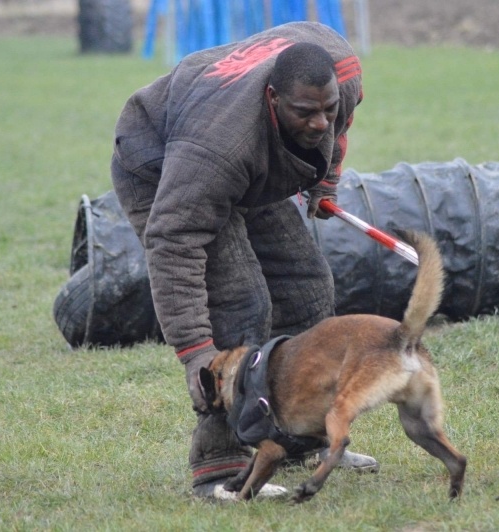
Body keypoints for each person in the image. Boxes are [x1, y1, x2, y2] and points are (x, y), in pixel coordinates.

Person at [110, 20, 376, 500]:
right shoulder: (217, 150)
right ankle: (217, 468)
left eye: (327, 108)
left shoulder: (342, 73)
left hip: (255, 161)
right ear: (273, 98)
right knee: (241, 304)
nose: (319, 123)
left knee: (306, 287)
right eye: (304, 112)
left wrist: (326, 180)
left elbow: (338, 129)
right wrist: (195, 351)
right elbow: (174, 241)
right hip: (159, 163)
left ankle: (300, 434)